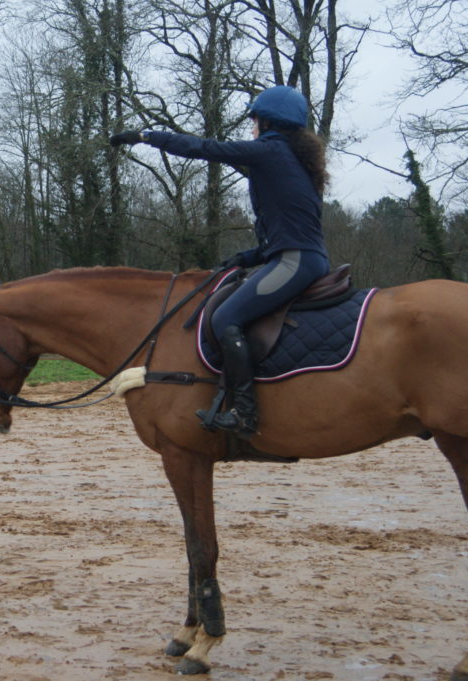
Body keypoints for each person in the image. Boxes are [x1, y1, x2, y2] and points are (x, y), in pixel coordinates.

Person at [109, 85, 330, 438]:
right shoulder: (291, 160)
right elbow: (286, 233)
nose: (252, 127)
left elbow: (205, 148)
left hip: (295, 261)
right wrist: (243, 258)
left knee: (227, 317)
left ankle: (244, 413)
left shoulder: (271, 151)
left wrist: (147, 135)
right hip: (299, 256)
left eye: (253, 119)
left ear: (267, 121)